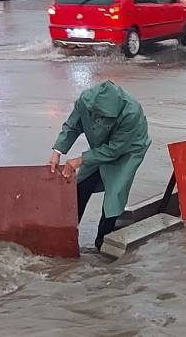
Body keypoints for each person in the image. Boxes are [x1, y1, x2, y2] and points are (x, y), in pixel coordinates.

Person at [49, 81, 151, 250]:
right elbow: (72, 126)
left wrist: (79, 160)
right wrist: (57, 152)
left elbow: (114, 150)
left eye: (103, 116)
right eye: (94, 114)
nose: (97, 119)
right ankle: (66, 235)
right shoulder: (84, 101)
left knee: (115, 192)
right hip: (101, 145)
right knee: (81, 184)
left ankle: (103, 241)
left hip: (128, 149)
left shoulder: (131, 113)